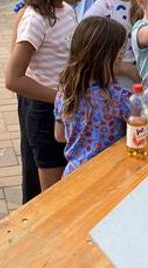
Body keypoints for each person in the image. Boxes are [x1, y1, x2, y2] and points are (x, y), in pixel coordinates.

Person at [5, 0, 90, 203]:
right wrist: (59, 97)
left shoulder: (65, 8)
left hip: (65, 110)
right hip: (44, 114)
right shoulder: (35, 20)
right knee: (50, 199)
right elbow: (13, 78)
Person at [53, 17, 132, 176]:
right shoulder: (119, 98)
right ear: (110, 58)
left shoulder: (65, 92)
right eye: (121, 52)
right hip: (108, 176)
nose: (122, 58)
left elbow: (60, 136)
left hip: (74, 174)